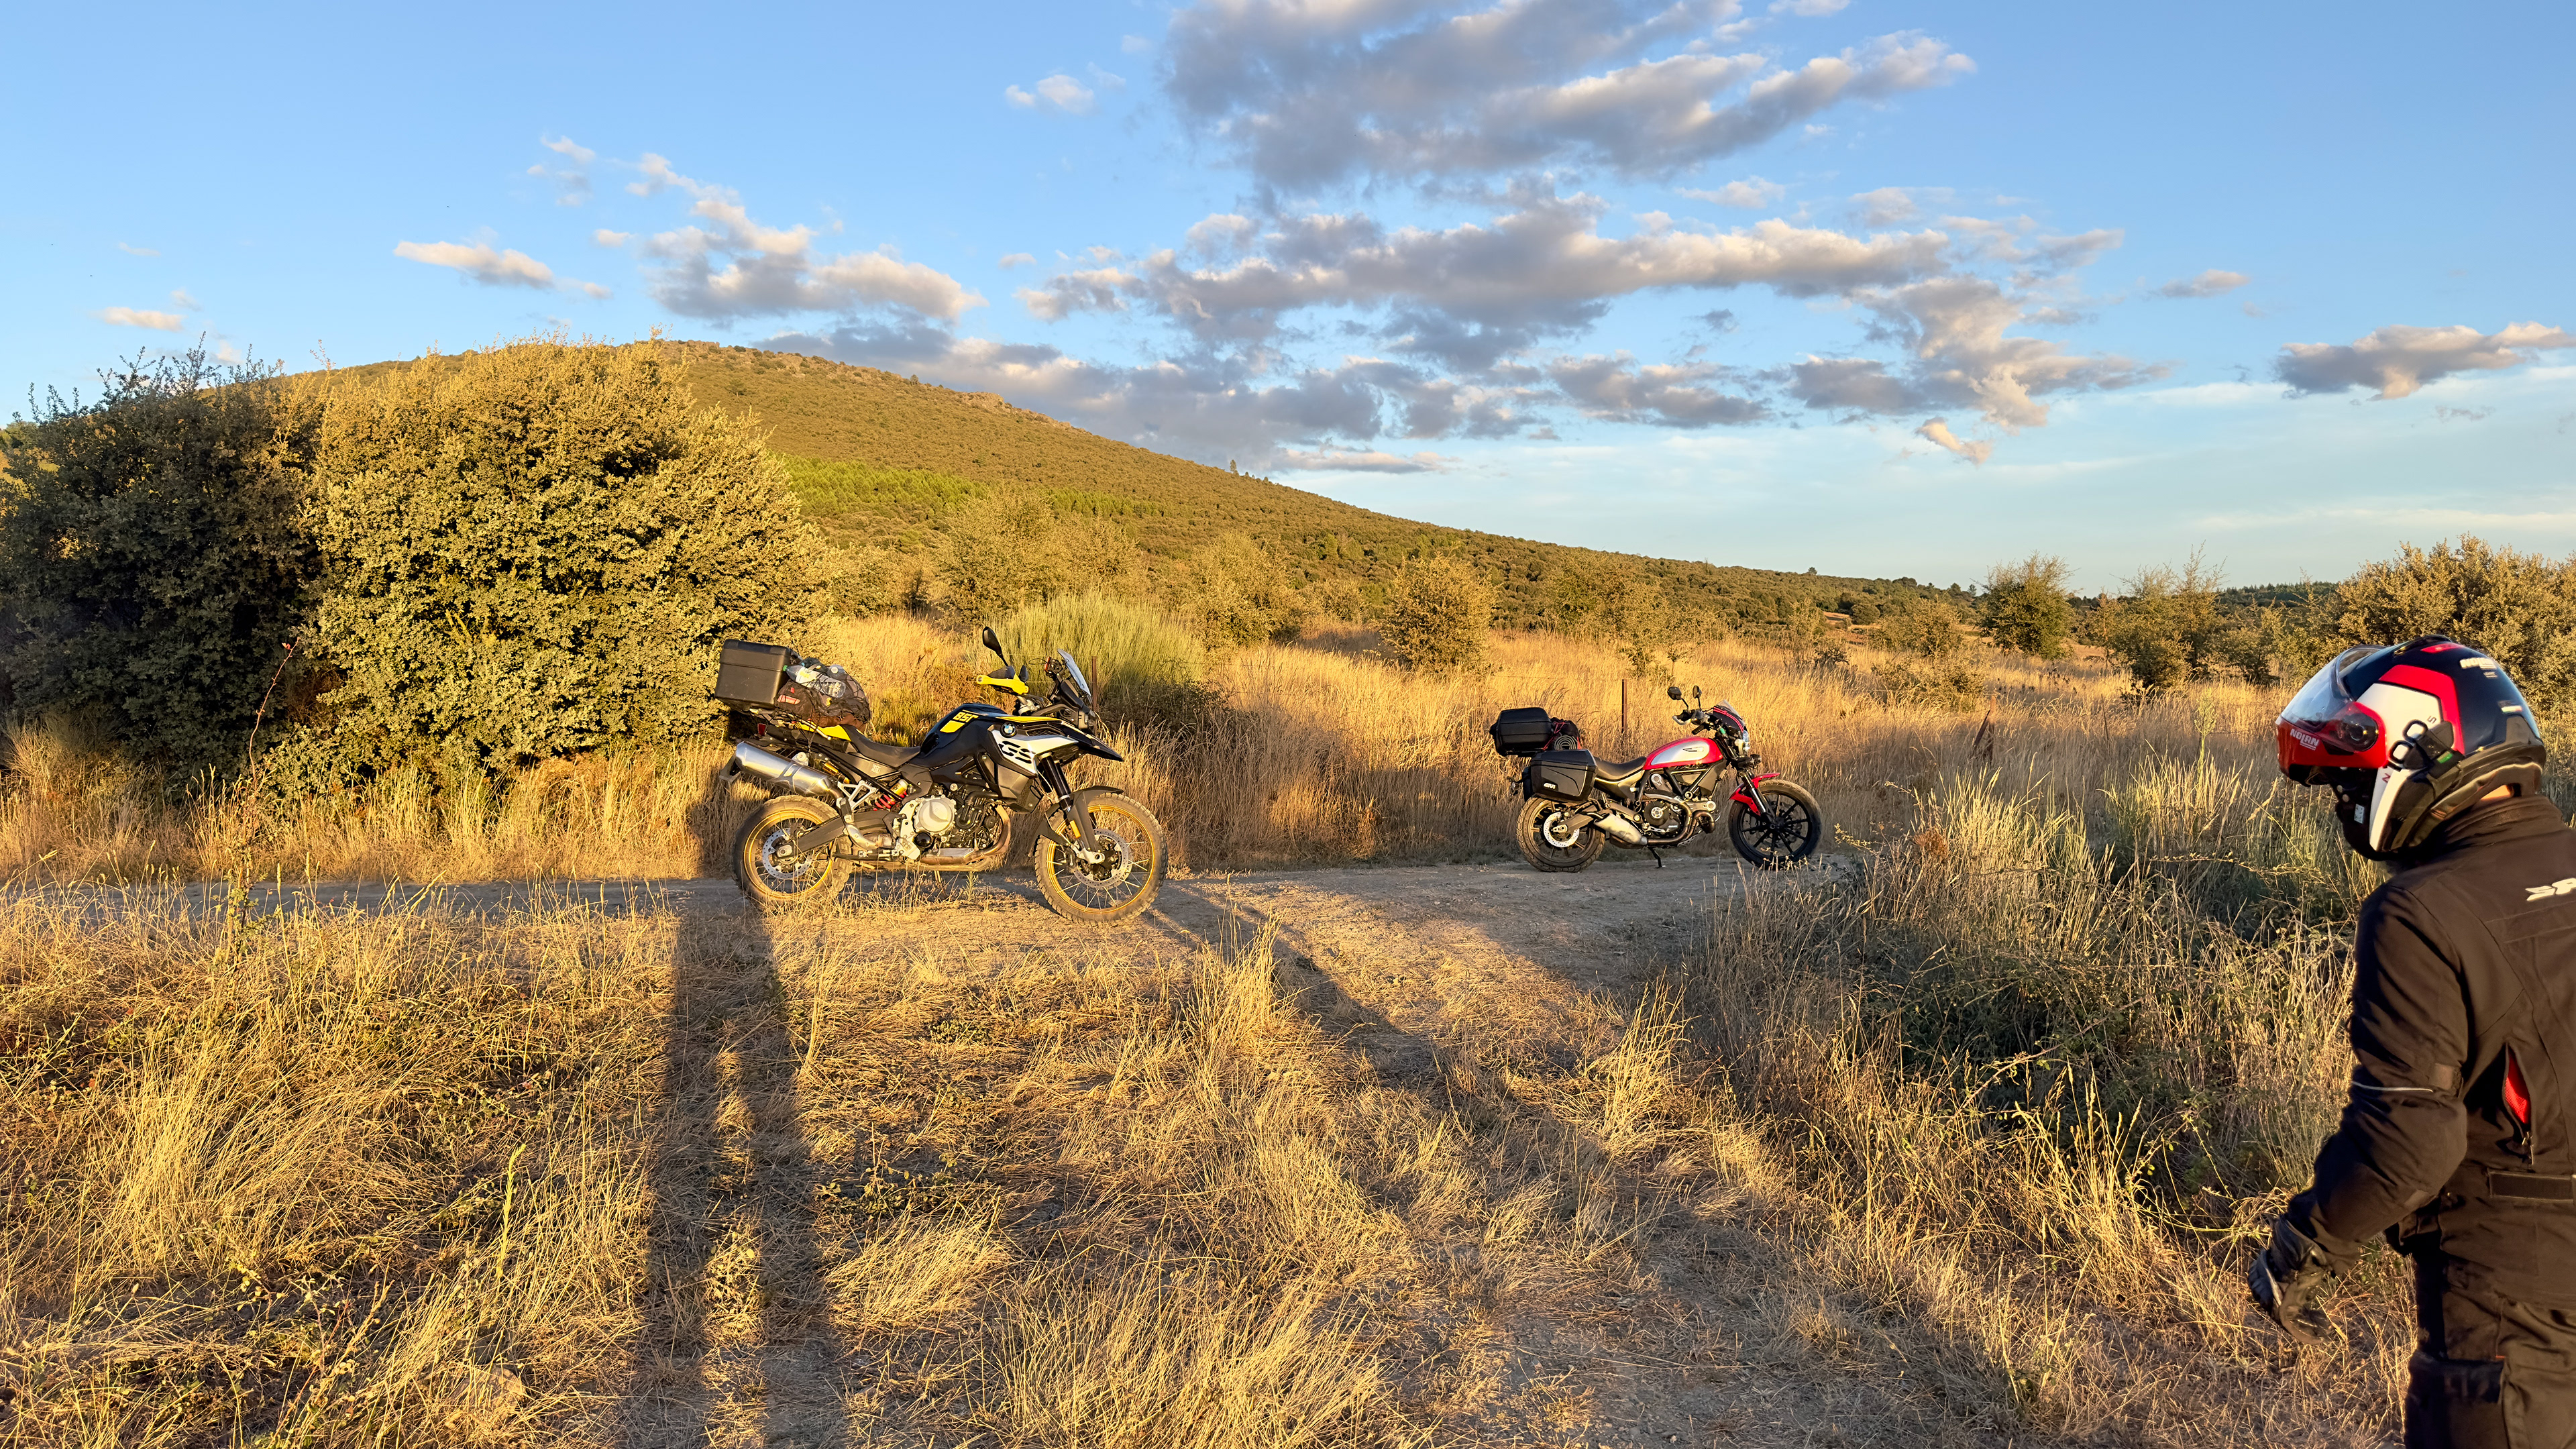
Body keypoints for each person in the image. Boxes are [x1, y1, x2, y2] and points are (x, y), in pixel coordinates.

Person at [2255, 635, 2576, 1447]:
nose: (2345, 802)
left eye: (2349, 780)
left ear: (2419, 756)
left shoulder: (2420, 913)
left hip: (2514, 1305)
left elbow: (2409, 1140)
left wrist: (2309, 1242)